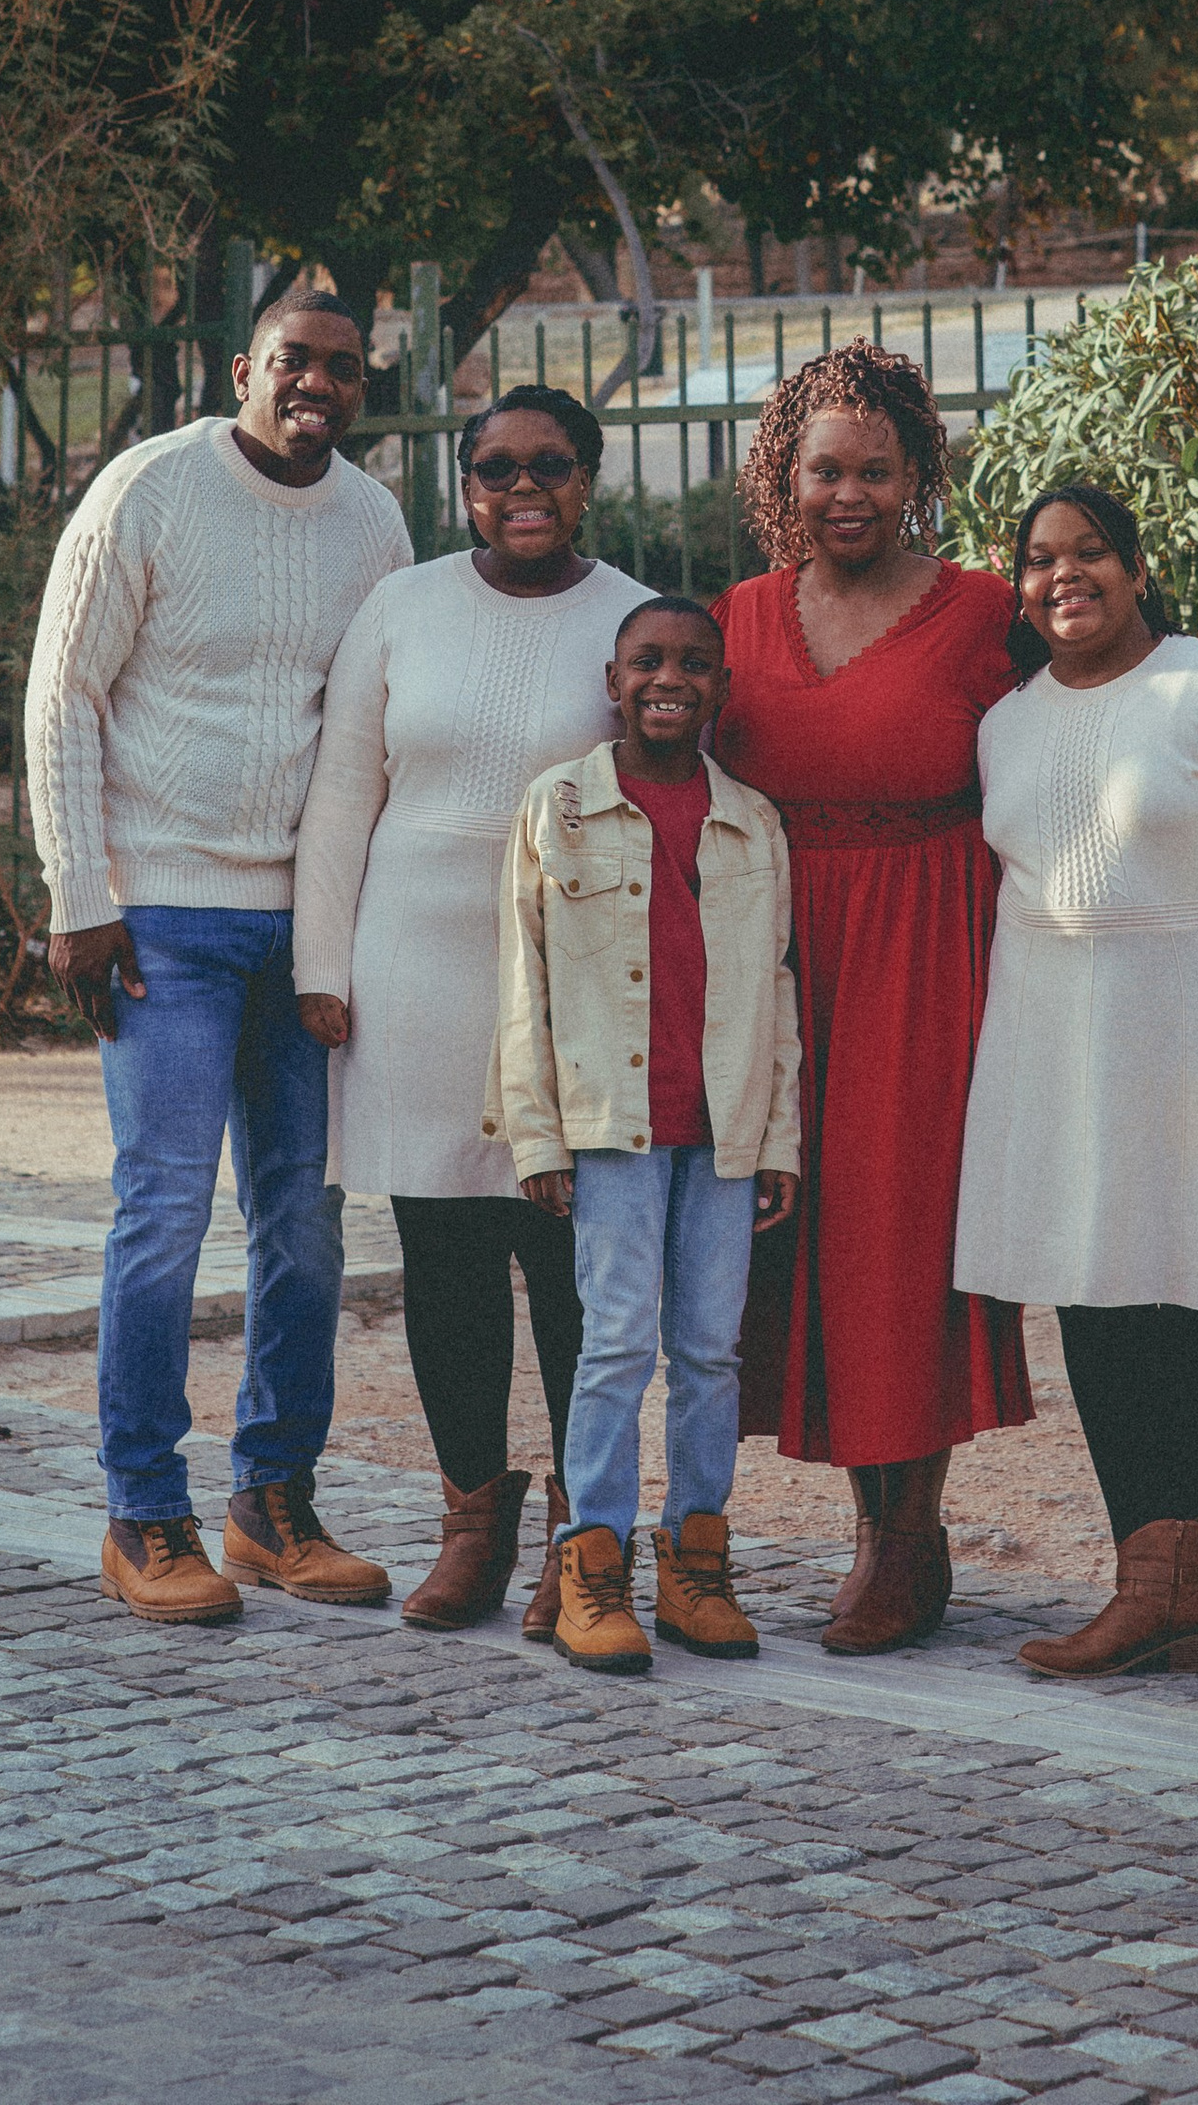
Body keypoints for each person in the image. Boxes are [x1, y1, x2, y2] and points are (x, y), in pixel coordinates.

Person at [26, 289, 411, 1624]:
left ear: (361, 389)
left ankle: (272, 1504)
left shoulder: (373, 521)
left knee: (305, 1226)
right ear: (246, 367)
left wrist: (352, 932)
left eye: (342, 369)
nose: (317, 384)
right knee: (166, 1217)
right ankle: (144, 1514)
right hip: (161, 925)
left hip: (301, 930)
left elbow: (369, 726)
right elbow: (64, 693)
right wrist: (79, 892)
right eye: (294, 361)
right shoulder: (149, 490)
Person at [954, 479, 1198, 1681]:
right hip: (1064, 1059)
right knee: (1100, 1300)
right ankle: (1156, 1586)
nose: (1063, 575)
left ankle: (1171, 1583)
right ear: (1019, 587)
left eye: (1089, 553)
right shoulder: (1005, 725)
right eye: (1039, 559)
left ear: (1134, 568)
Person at [292, 385, 648, 1635]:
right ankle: (470, 1527)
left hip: (570, 977)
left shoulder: (631, 619)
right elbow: (344, 795)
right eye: (496, 469)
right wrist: (322, 968)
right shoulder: (401, 607)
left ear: (587, 479)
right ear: (466, 488)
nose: (523, 488)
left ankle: (581, 1539)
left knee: (570, 1265)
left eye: (550, 465)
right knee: (443, 1258)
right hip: (414, 968)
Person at [714, 342, 1031, 1658]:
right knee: (799, 1242)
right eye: (824, 470)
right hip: (778, 962)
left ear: (917, 478)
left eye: (876, 472)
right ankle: (869, 1524)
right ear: (782, 476)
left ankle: (904, 1538)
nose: (848, 495)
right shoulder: (733, 619)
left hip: (927, 958)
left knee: (899, 1245)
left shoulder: (985, 615)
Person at [492, 595, 801, 1676]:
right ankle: (592, 1569)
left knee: (711, 1351)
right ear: (612, 682)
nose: (670, 680)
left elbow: (776, 987)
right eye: (647, 661)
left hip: (721, 1131)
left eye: (695, 664)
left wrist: (778, 1138)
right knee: (617, 1344)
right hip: (612, 1128)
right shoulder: (559, 805)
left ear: (722, 687)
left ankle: (696, 1566)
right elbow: (523, 979)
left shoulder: (752, 821)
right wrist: (537, 1138)